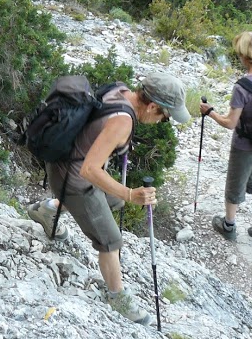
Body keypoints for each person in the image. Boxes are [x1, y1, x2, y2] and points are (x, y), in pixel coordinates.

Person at [29, 73, 191, 325]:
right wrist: (129, 193)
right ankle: (117, 297)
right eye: (164, 116)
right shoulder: (123, 122)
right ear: (151, 106)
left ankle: (49, 209)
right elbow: (89, 171)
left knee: (114, 202)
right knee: (111, 240)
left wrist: (122, 195)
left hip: (62, 163)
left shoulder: (120, 90)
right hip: (73, 179)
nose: (162, 122)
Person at [200, 31, 252, 240]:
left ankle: (228, 225)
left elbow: (230, 123)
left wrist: (209, 112)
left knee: (235, 185)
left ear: (244, 56)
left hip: (244, 145)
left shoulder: (242, 87)